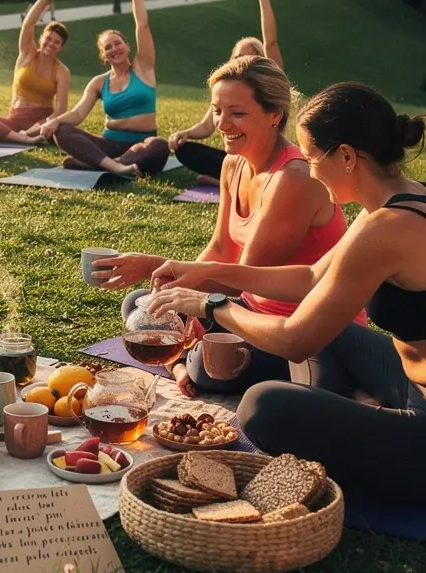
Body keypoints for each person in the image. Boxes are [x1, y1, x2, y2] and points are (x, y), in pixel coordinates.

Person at [146, 84, 426, 503]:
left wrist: (212, 304)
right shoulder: (410, 197)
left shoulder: (384, 228)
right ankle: (353, 405)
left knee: (262, 406)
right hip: (409, 378)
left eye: (312, 159)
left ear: (346, 156)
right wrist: (206, 272)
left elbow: (297, 340)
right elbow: (313, 277)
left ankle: (362, 417)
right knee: (331, 325)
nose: (309, 171)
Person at [93, 55, 352, 397]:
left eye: (237, 113)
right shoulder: (233, 164)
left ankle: (183, 363)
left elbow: (243, 276)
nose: (223, 124)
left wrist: (157, 269)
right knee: (141, 304)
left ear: (275, 114)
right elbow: (220, 249)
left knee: (208, 363)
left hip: (295, 331)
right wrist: (176, 291)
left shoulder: (293, 178)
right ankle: (181, 363)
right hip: (243, 310)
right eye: (217, 110)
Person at [32, 0, 168, 177]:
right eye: (108, 47)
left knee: (159, 146)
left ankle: (99, 164)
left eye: (117, 43)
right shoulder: (98, 82)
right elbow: (78, 114)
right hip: (108, 144)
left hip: (140, 144)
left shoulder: (143, 67)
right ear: (103, 55)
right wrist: (55, 120)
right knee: (62, 130)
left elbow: (142, 25)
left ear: (128, 46)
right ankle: (115, 166)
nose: (114, 49)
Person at [169, 0, 283, 182]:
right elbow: (206, 126)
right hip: (237, 159)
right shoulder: (227, 92)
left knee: (255, 166)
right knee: (185, 150)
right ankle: (230, 179)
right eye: (238, 57)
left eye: (249, 57)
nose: (242, 62)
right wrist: (186, 133)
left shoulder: (270, 83)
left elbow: (271, 41)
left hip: (266, 160)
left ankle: (228, 181)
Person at [0, 0, 70, 145]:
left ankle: (16, 137)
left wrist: (30, 132)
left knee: (55, 125)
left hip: (41, 123)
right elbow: (28, 24)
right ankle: (12, 136)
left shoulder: (62, 71)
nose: (51, 44)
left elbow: (60, 110)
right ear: (41, 38)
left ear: (61, 47)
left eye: (56, 42)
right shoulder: (27, 54)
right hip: (14, 120)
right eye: (48, 38)